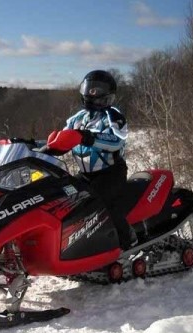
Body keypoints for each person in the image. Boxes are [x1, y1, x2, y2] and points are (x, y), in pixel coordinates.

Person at [63, 69, 136, 250]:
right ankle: (75, 244)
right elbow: (62, 138)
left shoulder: (113, 116)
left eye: (96, 90)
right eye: (89, 88)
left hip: (111, 172)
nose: (91, 93)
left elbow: (117, 140)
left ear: (107, 93)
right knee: (66, 199)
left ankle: (127, 240)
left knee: (103, 203)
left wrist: (89, 137)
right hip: (85, 174)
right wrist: (38, 146)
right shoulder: (77, 119)